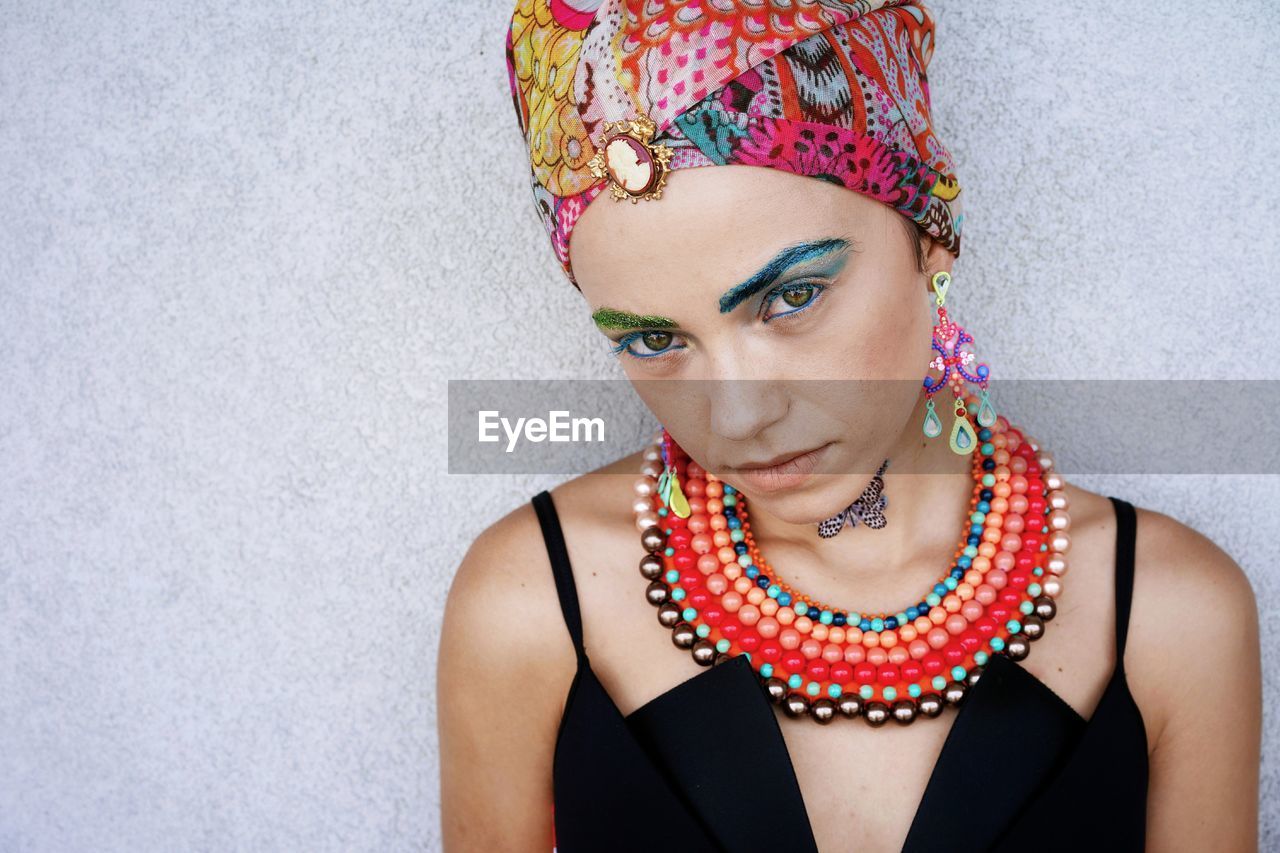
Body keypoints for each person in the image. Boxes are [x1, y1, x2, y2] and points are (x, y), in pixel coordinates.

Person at [439, 2, 1262, 850]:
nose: (739, 416)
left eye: (791, 297)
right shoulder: (530, 600)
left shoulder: (1172, 617)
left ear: (931, 230)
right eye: (655, 339)